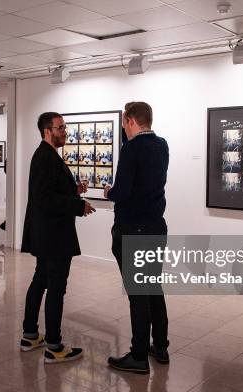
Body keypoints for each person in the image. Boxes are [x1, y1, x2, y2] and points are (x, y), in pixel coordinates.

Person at [20, 112, 95, 363]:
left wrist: (73, 190)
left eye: (65, 127)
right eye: (60, 127)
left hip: (48, 234)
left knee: (41, 280)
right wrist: (78, 205)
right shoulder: (44, 157)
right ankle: (54, 345)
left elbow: (50, 191)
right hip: (53, 235)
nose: (65, 131)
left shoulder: (47, 155)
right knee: (55, 288)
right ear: (46, 131)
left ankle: (30, 335)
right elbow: (44, 199)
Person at [104, 102, 170, 374]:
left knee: (137, 294)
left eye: (123, 122)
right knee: (153, 287)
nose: (122, 127)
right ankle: (161, 347)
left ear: (130, 120)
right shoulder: (162, 144)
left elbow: (123, 191)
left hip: (133, 228)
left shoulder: (131, 149)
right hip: (156, 226)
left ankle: (139, 355)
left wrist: (109, 191)